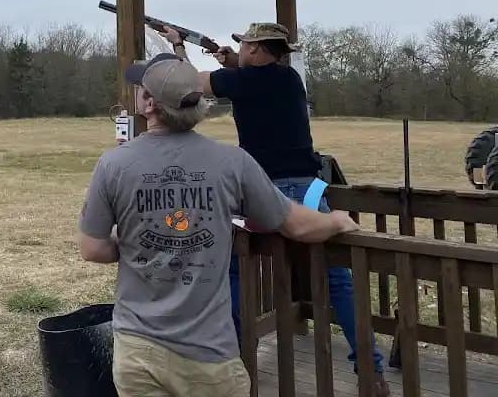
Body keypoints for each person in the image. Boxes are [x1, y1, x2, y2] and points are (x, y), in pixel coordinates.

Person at [79, 51, 360, 397]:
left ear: (148, 103)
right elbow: (297, 226)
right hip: (210, 355)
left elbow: (92, 248)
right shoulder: (233, 163)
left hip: (139, 351)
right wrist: (334, 221)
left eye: (141, 88)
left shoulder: (112, 165)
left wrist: (130, 243)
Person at [161, 22, 388, 396]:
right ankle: (371, 369)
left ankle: (230, 360)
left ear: (257, 50)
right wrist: (232, 63)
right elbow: (249, 82)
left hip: (262, 189)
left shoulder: (243, 82)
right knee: (339, 283)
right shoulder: (288, 79)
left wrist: (177, 45)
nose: (242, 49)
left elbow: (187, 84)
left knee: (230, 269)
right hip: (309, 188)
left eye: (246, 45)